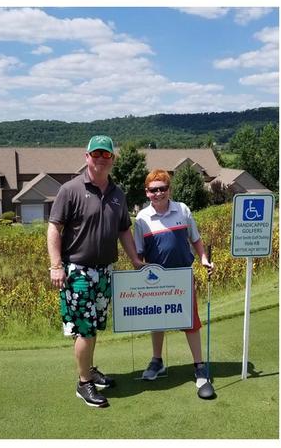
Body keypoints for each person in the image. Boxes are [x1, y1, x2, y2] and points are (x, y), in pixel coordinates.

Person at [47, 135, 144, 408]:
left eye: (106, 154)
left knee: (94, 326)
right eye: (96, 153)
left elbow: (123, 229)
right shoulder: (70, 189)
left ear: (112, 159)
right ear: (87, 157)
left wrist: (135, 259)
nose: (101, 158)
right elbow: (54, 228)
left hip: (105, 271)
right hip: (78, 272)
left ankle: (88, 370)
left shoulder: (118, 194)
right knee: (85, 329)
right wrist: (56, 265)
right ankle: (83, 383)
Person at [132, 169, 214, 394]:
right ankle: (157, 361)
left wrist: (204, 259)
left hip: (182, 276)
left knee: (190, 321)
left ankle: (199, 366)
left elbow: (195, 239)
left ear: (169, 190)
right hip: (156, 279)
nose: (158, 193)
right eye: (153, 190)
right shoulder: (142, 219)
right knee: (157, 320)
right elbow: (139, 252)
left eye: (163, 188)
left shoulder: (182, 209)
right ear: (147, 192)